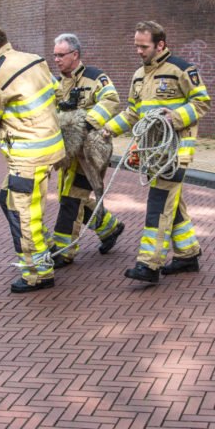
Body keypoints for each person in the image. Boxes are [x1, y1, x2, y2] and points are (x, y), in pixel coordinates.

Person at [102, 21, 211, 284]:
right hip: (152, 155)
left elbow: (202, 102)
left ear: (160, 44)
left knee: (158, 205)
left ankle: (149, 265)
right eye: (136, 46)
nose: (139, 51)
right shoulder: (139, 75)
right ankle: (187, 255)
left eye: (144, 46)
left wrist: (173, 117)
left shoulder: (182, 69)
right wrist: (107, 129)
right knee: (172, 206)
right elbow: (132, 112)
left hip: (175, 153)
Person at [0, 23, 66, 293]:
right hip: (51, 150)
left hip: (27, 157)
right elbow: (57, 94)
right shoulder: (35, 60)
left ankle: (38, 274)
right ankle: (46, 250)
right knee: (6, 198)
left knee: (24, 215)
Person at [50, 33, 126, 268]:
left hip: (91, 153)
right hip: (68, 155)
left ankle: (63, 250)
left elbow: (112, 101)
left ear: (75, 55)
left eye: (61, 55)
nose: (56, 60)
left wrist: (83, 123)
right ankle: (109, 227)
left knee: (71, 197)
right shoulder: (56, 83)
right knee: (74, 195)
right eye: (54, 55)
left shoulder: (95, 77)